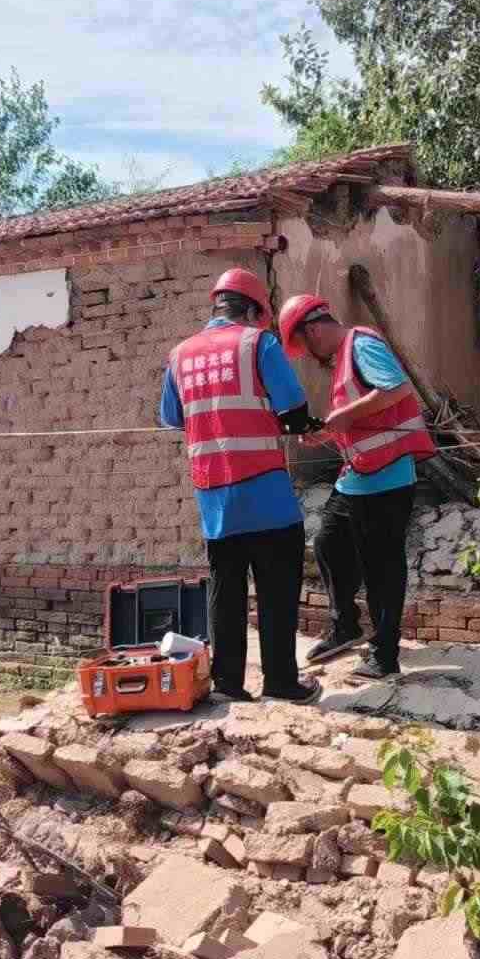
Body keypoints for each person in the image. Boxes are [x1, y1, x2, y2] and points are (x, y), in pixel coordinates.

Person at [160, 268, 321, 704]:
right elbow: (293, 408)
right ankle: (281, 682)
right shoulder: (258, 343)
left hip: (214, 499)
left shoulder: (180, 354)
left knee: (225, 591)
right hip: (266, 493)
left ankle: (229, 683)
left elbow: (172, 417)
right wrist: (303, 426)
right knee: (277, 591)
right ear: (252, 310)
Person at [277, 294, 435, 680]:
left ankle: (384, 654)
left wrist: (343, 416)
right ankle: (345, 625)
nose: (310, 355)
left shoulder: (362, 343)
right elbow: (361, 419)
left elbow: (396, 388)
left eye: (305, 346)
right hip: (359, 476)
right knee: (329, 544)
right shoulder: (346, 356)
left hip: (388, 477)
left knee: (382, 567)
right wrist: (327, 432)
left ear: (313, 330)